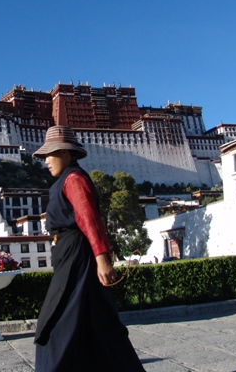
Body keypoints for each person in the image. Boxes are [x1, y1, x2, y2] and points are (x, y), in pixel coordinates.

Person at [33, 125, 145, 372]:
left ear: (65, 153)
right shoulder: (64, 180)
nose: (46, 161)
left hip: (78, 257)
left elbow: (89, 218)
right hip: (69, 254)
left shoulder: (74, 179)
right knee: (95, 321)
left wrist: (101, 258)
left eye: (49, 155)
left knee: (59, 320)